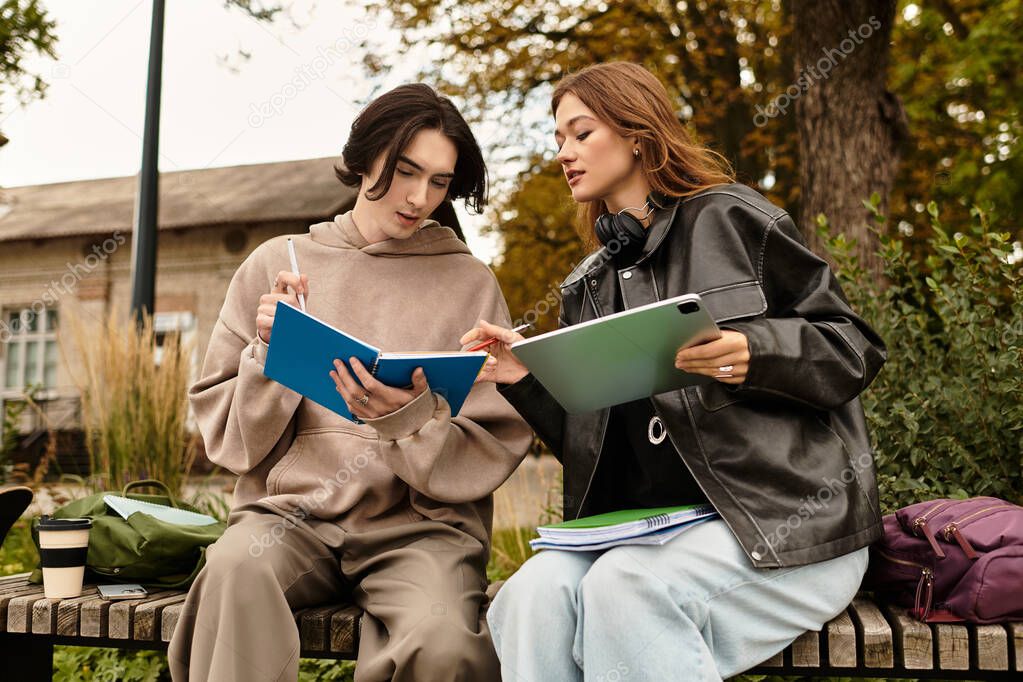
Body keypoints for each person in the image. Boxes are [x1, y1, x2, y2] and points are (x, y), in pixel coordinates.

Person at [460, 62, 888, 681]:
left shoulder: (734, 219)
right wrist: (523, 377)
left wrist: (754, 350)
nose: (564, 153)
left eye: (581, 133)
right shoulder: (587, 285)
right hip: (648, 533)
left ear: (637, 133)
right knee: (532, 596)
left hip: (783, 525)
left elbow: (853, 346)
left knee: (625, 585)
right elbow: (590, 444)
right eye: (558, 139)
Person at [168, 83, 532, 682]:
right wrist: (271, 354)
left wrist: (408, 421)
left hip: (421, 534)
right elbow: (228, 443)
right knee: (234, 571)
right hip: (289, 520)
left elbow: (494, 441)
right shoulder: (276, 264)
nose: (419, 197)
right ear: (364, 158)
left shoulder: (469, 282)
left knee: (444, 644)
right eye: (406, 171)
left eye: (439, 182)